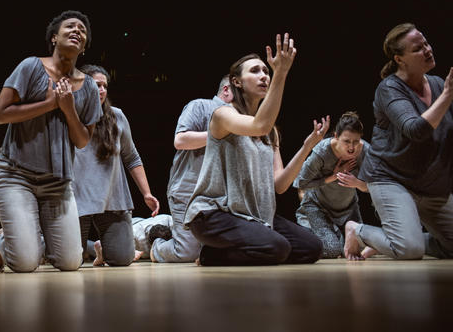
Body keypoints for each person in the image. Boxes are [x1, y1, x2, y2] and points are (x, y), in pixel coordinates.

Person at [184, 34, 325, 266]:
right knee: (277, 248)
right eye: (255, 71)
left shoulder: (271, 132)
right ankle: (211, 255)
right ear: (236, 82)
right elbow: (259, 124)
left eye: (266, 72)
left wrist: (307, 147)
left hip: (254, 215)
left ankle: (246, 246)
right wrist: (281, 73)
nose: (264, 76)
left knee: (312, 248)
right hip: (214, 215)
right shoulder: (223, 115)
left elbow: (279, 185)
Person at [0, 10, 102, 273]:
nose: (77, 31)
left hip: (58, 183)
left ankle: (22, 239)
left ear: (84, 47)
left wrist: (68, 109)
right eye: (70, 27)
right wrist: (51, 103)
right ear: (54, 38)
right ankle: (5, 239)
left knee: (71, 263)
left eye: (82, 30)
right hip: (16, 175)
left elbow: (83, 141)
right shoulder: (30, 66)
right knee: (25, 264)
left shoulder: (88, 88)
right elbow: (1, 114)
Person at [344, 23, 453, 260]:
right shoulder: (389, 88)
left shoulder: (437, 84)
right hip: (391, 179)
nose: (427, 50)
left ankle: (390, 241)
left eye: (426, 44)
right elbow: (416, 130)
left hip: (431, 185)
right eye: (417, 49)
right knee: (409, 251)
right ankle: (358, 231)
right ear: (400, 59)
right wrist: (447, 95)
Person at [73, 64, 160, 267]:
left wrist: (146, 193)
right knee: (68, 261)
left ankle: (103, 249)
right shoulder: (69, 116)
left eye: (104, 86)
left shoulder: (116, 116)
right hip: (78, 199)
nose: (102, 90)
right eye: (96, 85)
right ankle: (7, 239)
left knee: (122, 259)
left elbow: (132, 157)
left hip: (111, 199)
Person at [150, 76, 232, 263]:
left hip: (221, 196)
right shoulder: (200, 106)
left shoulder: (242, 119)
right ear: (226, 90)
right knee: (186, 253)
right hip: (188, 190)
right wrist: (217, 133)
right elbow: (180, 140)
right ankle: (156, 246)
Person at [294, 111, 372, 258]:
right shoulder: (322, 151)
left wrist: (358, 184)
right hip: (318, 207)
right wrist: (332, 177)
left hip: (347, 208)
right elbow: (301, 182)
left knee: (357, 250)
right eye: (346, 141)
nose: (352, 147)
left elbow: (378, 186)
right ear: (336, 136)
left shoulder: (364, 150)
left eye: (356, 142)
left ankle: (336, 233)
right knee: (332, 250)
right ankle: (307, 233)